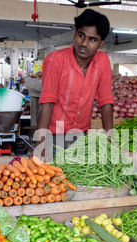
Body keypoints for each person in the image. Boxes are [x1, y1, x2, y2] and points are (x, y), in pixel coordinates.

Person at [33, 9, 114, 161]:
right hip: (53, 136)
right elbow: (47, 102)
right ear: (74, 35)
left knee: (77, 180)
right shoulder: (55, 60)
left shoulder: (102, 61)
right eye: (81, 35)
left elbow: (106, 101)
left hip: (81, 135)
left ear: (101, 44)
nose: (84, 43)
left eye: (92, 39)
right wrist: (40, 145)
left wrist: (110, 141)